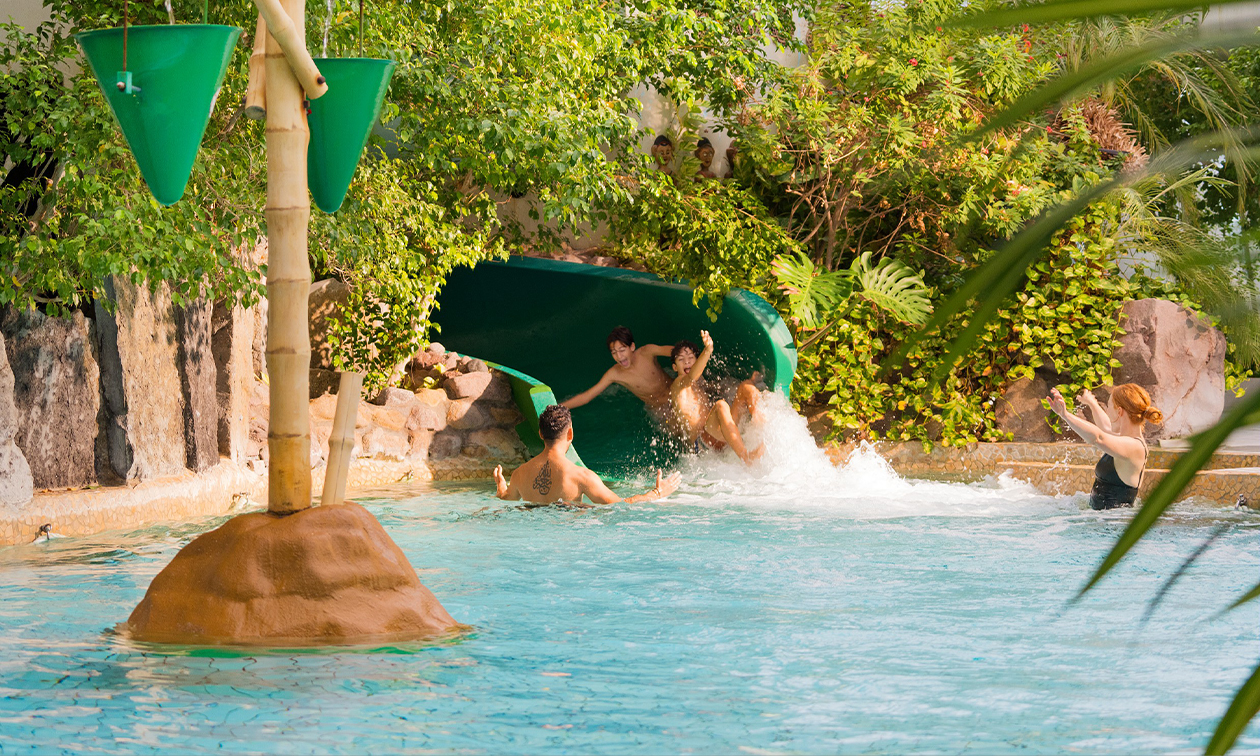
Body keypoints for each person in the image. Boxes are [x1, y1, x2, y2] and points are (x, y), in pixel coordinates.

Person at [495, 405, 681, 505]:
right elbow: (622, 505)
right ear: (570, 434)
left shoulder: (519, 474)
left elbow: (507, 497)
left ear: (541, 434)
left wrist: (501, 486)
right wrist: (657, 493)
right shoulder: (581, 476)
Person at [1048, 383, 1164, 510]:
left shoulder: (1134, 447)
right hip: (1107, 521)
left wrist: (1065, 415)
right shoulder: (1126, 440)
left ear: (1119, 412)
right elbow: (1105, 428)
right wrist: (1092, 403)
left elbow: (1098, 437)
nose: (1107, 411)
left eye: (1108, 406)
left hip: (1114, 525)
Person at [669, 331, 763, 464]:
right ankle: (746, 458)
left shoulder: (699, 384)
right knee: (721, 405)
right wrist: (708, 350)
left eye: (690, 357)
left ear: (696, 361)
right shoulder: (678, 385)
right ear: (674, 367)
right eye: (681, 360)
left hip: (722, 434)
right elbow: (691, 377)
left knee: (745, 387)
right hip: (704, 443)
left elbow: (717, 385)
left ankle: (763, 428)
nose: (687, 362)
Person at [562, 326, 674, 417]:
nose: (619, 357)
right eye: (614, 352)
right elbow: (587, 396)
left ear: (632, 347)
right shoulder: (614, 374)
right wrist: (559, 407)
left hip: (676, 394)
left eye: (622, 350)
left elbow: (675, 351)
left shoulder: (647, 352)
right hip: (659, 410)